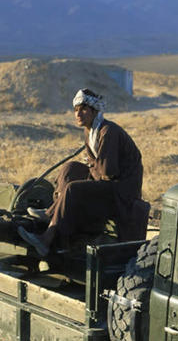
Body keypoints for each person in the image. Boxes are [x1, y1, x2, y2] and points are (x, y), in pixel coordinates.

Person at [18, 88, 143, 257]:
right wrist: (92, 169)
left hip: (122, 191)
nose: (78, 114)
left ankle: (46, 240)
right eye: (76, 110)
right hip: (108, 183)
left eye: (83, 109)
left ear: (94, 111)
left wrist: (92, 170)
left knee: (72, 189)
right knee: (70, 169)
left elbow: (108, 171)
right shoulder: (90, 131)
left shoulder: (108, 131)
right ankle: (54, 212)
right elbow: (97, 166)